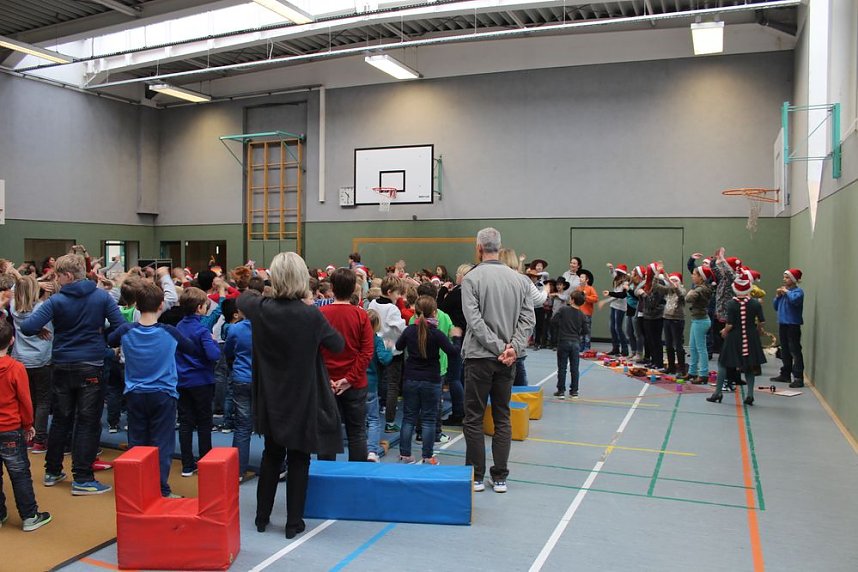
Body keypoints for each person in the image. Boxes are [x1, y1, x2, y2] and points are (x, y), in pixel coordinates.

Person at [237, 252, 344, 539]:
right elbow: (338, 344)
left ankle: (262, 517)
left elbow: (242, 298)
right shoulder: (310, 315)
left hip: (270, 397)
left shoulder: (260, 308)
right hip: (302, 396)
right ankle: (293, 522)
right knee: (299, 459)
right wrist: (310, 305)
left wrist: (264, 287)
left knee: (271, 456)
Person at [20, 253, 124, 496]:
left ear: (68, 276)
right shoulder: (101, 297)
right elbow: (120, 326)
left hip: (62, 365)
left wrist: (42, 332)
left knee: (61, 419)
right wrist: (102, 341)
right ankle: (83, 478)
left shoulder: (55, 301)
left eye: (58, 274)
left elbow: (27, 327)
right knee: (87, 422)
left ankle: (53, 471)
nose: (55, 279)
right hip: (90, 364)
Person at [107, 281, 198, 498]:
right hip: (163, 394)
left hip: (135, 394)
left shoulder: (126, 330)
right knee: (162, 443)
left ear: (136, 306)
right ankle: (161, 489)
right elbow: (191, 349)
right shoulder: (170, 332)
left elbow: (109, 339)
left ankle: (137, 489)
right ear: (161, 306)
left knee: (137, 442)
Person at [462, 228, 535, 494]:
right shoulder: (519, 279)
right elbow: (529, 320)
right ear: (499, 247)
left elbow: (474, 321)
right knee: (502, 417)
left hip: (480, 358)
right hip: (507, 361)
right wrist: (512, 349)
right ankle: (500, 477)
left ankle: (477, 477)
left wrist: (498, 348)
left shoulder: (471, 279)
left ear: (479, 248)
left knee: (474, 418)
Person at [0, 320, 52, 531]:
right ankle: (29, 515)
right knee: (20, 473)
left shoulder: (16, 367)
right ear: (12, 340)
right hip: (11, 428)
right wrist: (28, 424)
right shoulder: (16, 368)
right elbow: (25, 400)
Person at [319, 268, 374, 462]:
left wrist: (330, 379)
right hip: (355, 384)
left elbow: (314, 351)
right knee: (357, 433)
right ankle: (357, 480)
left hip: (327, 383)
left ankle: (326, 479)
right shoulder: (361, 316)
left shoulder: (321, 314)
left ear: (332, 288)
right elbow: (366, 352)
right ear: (354, 289)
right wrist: (349, 379)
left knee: (327, 434)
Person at [396, 295, 458, 465]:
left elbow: (398, 347)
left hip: (411, 378)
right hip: (431, 380)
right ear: (434, 313)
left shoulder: (409, 331)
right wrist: (456, 337)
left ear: (415, 312)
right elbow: (453, 352)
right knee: (429, 419)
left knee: (409, 417)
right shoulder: (436, 334)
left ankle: (405, 454)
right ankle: (427, 456)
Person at [175, 287, 222, 478]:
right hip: (202, 380)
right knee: (204, 422)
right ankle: (205, 460)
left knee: (185, 422)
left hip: (183, 380)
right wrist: (213, 342)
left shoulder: (178, 327)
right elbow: (213, 355)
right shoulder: (202, 330)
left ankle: (187, 464)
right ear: (199, 308)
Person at [7, 275, 53, 454]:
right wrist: (38, 285)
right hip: (41, 359)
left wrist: (30, 283)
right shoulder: (42, 308)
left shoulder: (13, 308)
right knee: (43, 401)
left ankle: (29, 436)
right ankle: (40, 440)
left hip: (22, 360)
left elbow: (12, 290)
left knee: (29, 399)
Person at [707, 276, 766, 406]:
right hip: (751, 337)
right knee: (749, 365)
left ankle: (717, 393)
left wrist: (724, 331)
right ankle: (750, 394)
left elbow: (730, 324)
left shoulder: (731, 304)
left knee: (723, 363)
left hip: (734, 337)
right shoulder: (755, 303)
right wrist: (759, 331)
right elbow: (761, 321)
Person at [368, 276, 407, 433]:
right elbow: (401, 329)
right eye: (397, 293)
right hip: (392, 351)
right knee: (392, 386)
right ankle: (390, 422)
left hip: (376, 349)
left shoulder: (372, 303)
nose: (398, 297)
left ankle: (373, 416)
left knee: (377, 383)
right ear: (390, 292)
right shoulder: (392, 309)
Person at [224, 302, 254, 480]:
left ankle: (238, 471)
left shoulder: (235, 329)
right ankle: (277, 466)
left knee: (242, 426)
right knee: (270, 425)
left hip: (241, 378)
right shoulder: (267, 327)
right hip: (262, 381)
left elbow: (228, 351)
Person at [366, 310, 392, 462]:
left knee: (359, 419)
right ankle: (371, 451)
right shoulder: (376, 340)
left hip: (355, 382)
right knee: (374, 419)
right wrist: (389, 348)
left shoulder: (356, 338)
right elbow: (384, 359)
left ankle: (360, 447)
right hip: (371, 383)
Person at [771, 268, 805, 388]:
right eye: (784, 277)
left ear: (794, 279)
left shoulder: (798, 292)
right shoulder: (784, 293)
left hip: (793, 325)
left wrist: (786, 292)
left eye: (787, 277)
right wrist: (778, 296)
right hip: (783, 324)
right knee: (785, 350)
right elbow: (775, 306)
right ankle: (785, 374)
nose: (784, 280)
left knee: (794, 350)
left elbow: (795, 301)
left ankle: (798, 377)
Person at [552, 290, 589, 398]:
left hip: (563, 341)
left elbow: (553, 321)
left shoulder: (563, 310)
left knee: (562, 367)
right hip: (575, 342)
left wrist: (561, 327)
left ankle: (561, 391)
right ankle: (574, 391)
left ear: (572, 300)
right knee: (574, 368)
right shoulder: (582, 315)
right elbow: (586, 330)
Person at [685, 266, 713, 384]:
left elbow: (688, 298)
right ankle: (692, 372)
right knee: (693, 347)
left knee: (701, 349)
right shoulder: (701, 288)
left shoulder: (700, 289)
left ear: (701, 277)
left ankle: (703, 374)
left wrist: (691, 290)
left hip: (701, 321)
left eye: (695, 274)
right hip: (697, 320)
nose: (692, 276)